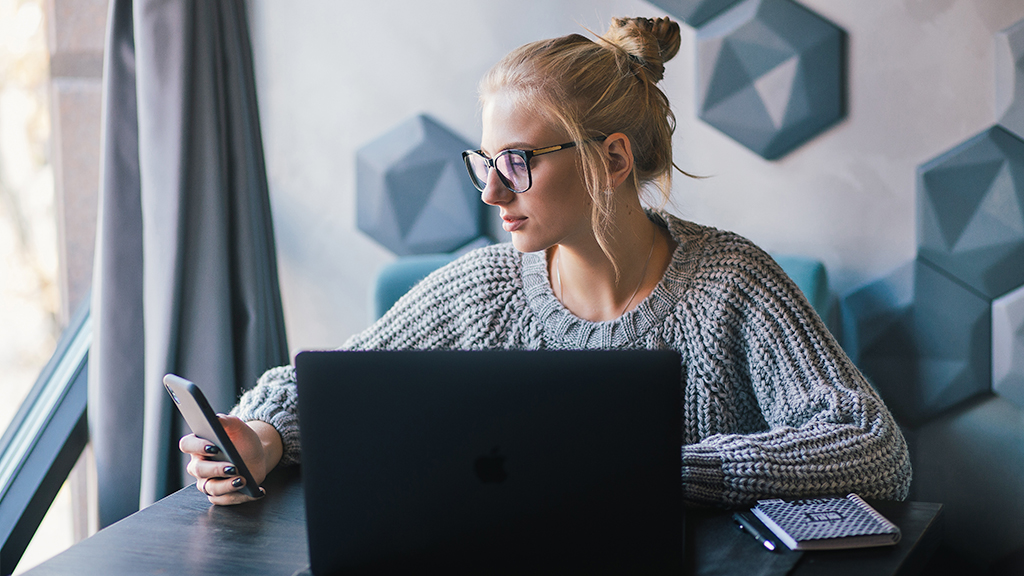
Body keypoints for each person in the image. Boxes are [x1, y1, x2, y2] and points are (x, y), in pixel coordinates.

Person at [180, 16, 912, 507]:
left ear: (613, 159)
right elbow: (334, 385)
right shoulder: (481, 286)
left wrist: (648, 473)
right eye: (486, 163)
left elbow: (873, 449)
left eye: (519, 162)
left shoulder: (732, 285)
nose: (492, 189)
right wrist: (261, 436)